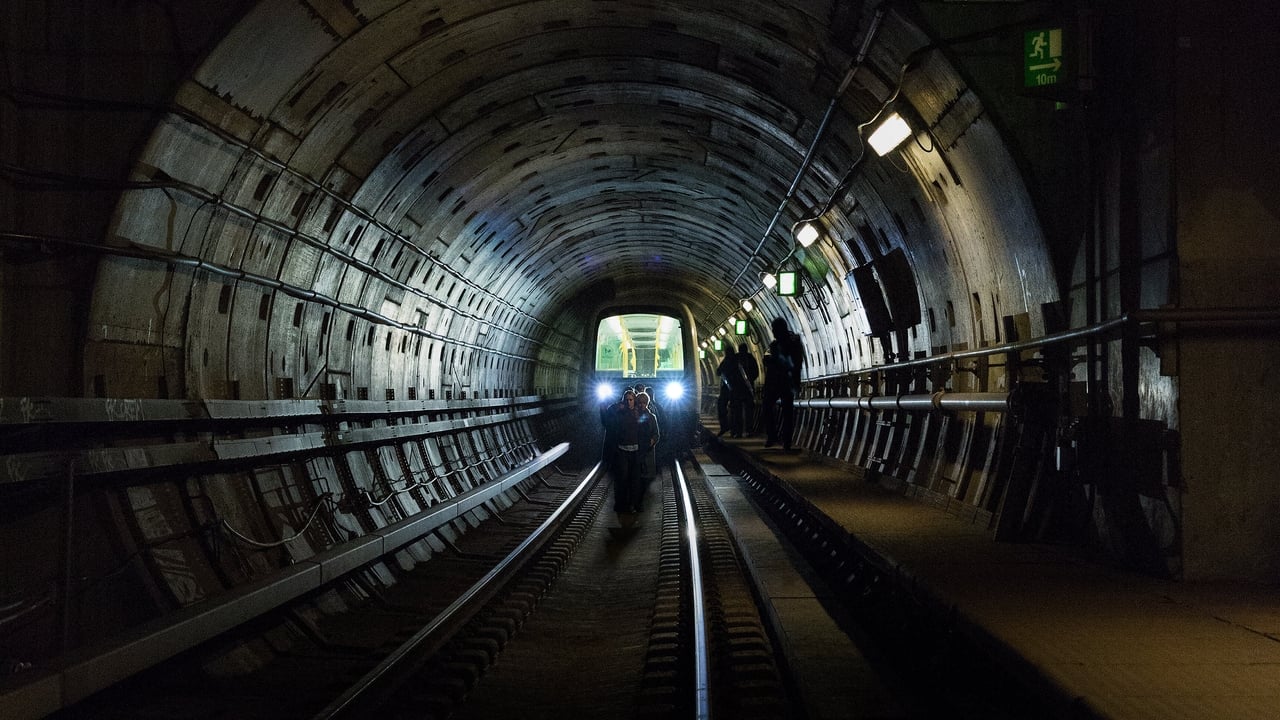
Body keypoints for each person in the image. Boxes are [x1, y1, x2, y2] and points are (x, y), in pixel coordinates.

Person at [763, 317, 805, 450]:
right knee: (785, 412)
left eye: (774, 330)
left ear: (780, 329)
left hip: (783, 382)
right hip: (784, 383)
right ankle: (781, 439)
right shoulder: (781, 344)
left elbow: (796, 363)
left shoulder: (788, 344)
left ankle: (778, 438)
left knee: (775, 409)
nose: (773, 333)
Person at [633, 391, 661, 510]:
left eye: (644, 403)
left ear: (647, 403)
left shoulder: (651, 417)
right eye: (639, 403)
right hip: (635, 451)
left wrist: (652, 440)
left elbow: (656, 433)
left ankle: (641, 501)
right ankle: (637, 503)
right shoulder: (632, 416)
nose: (642, 405)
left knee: (645, 478)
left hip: (647, 451)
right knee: (636, 478)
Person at [732, 343, 758, 436]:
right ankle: (748, 430)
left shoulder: (735, 358)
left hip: (738, 390)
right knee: (748, 412)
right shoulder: (751, 358)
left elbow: (730, 372)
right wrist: (750, 380)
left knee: (738, 412)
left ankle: (738, 431)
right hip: (748, 388)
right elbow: (756, 372)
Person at [715, 345, 737, 436]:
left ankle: (726, 427)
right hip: (735, 389)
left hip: (728, 389)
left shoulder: (727, 361)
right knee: (734, 410)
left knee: (722, 407)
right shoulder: (736, 361)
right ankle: (734, 430)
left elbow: (718, 372)